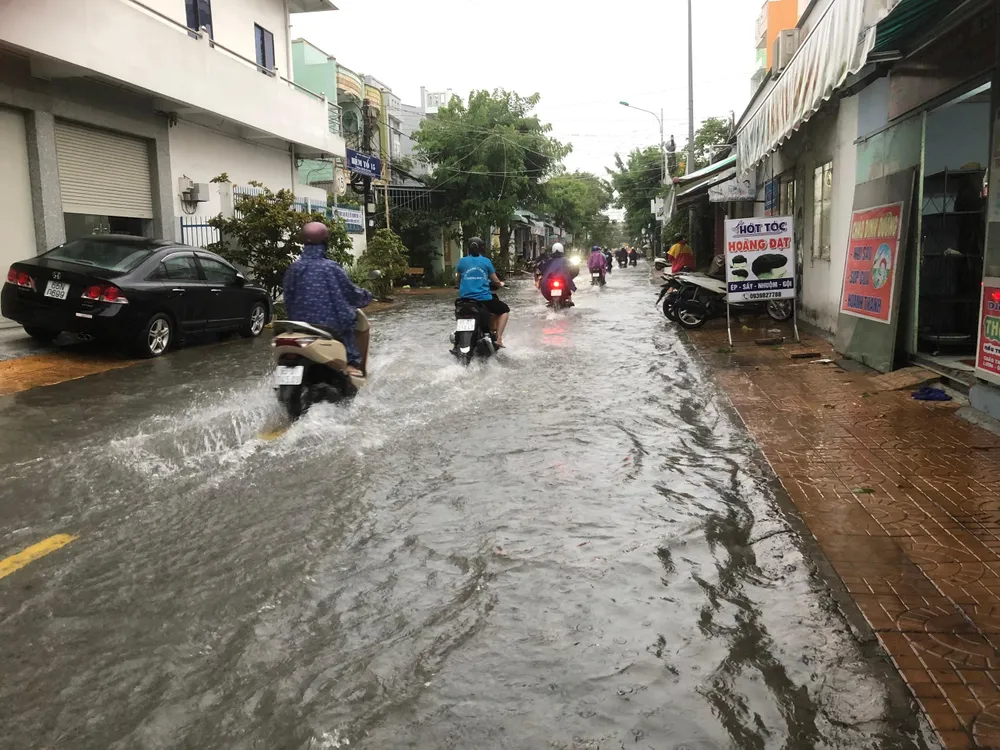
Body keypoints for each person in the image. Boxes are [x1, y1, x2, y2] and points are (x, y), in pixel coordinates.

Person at [283, 221, 373, 378]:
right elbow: (351, 293)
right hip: (329, 328)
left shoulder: (293, 269)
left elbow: (288, 299)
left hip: (299, 328)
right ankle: (353, 365)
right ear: (325, 242)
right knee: (357, 326)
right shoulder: (332, 268)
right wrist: (366, 296)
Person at [456, 237, 510, 348]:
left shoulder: (462, 261)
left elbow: (457, 279)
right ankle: (499, 339)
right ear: (481, 248)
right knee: (504, 310)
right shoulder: (486, 261)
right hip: (483, 300)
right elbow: (495, 280)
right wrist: (500, 284)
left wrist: (458, 285)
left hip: (463, 300)